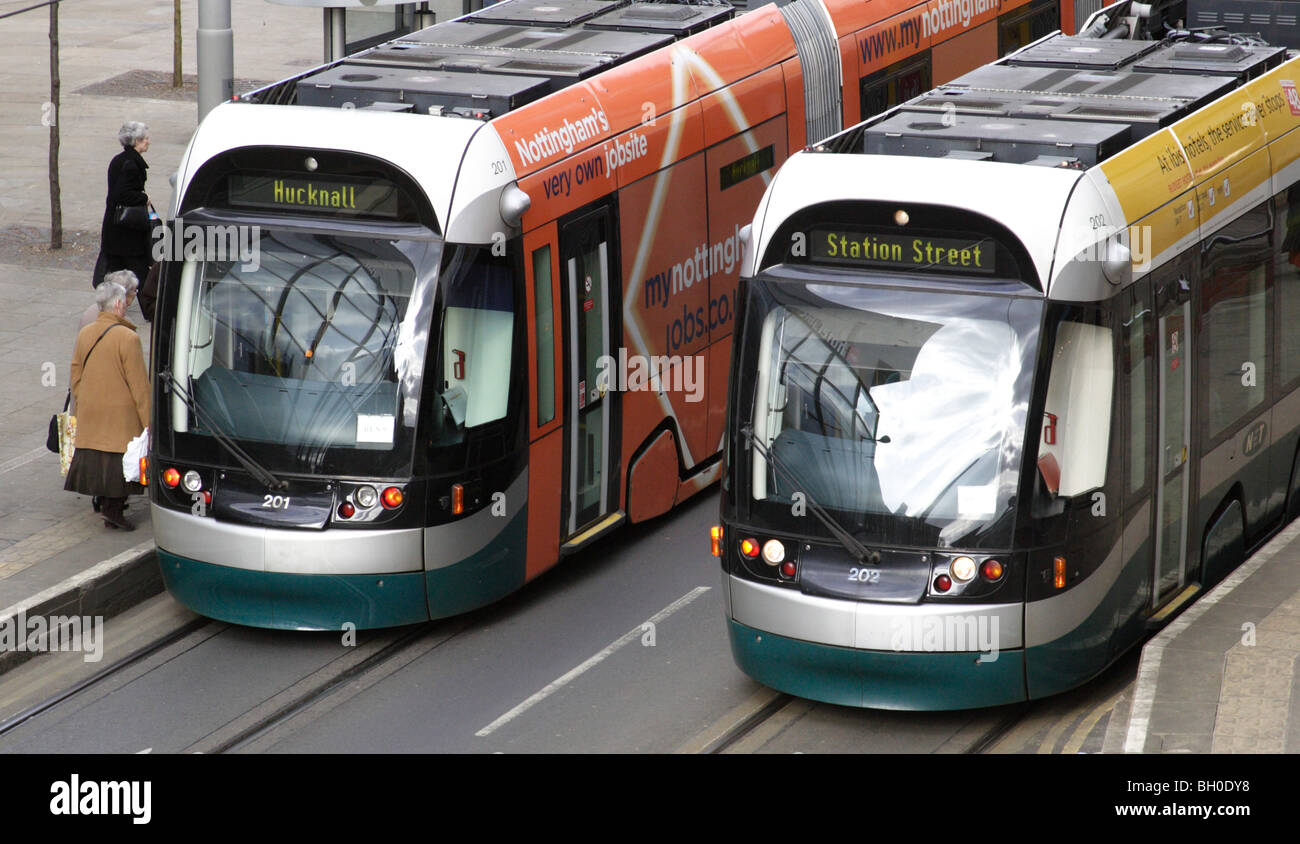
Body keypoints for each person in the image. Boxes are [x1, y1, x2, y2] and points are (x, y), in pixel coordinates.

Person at [64, 280, 151, 531]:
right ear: (118, 305)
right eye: (123, 303)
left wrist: (82, 401)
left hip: (91, 408)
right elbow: (139, 385)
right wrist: (148, 421)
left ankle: (104, 504)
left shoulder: (85, 333)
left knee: (96, 458)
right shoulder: (128, 337)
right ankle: (113, 509)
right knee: (118, 462)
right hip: (120, 413)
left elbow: (75, 372)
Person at [94, 121, 154, 290]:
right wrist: (143, 198)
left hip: (116, 230)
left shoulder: (120, 160)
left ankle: (113, 304)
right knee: (140, 274)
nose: (148, 142)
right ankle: (148, 309)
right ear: (136, 141)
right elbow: (121, 194)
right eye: (145, 139)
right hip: (127, 233)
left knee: (117, 274)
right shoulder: (131, 164)